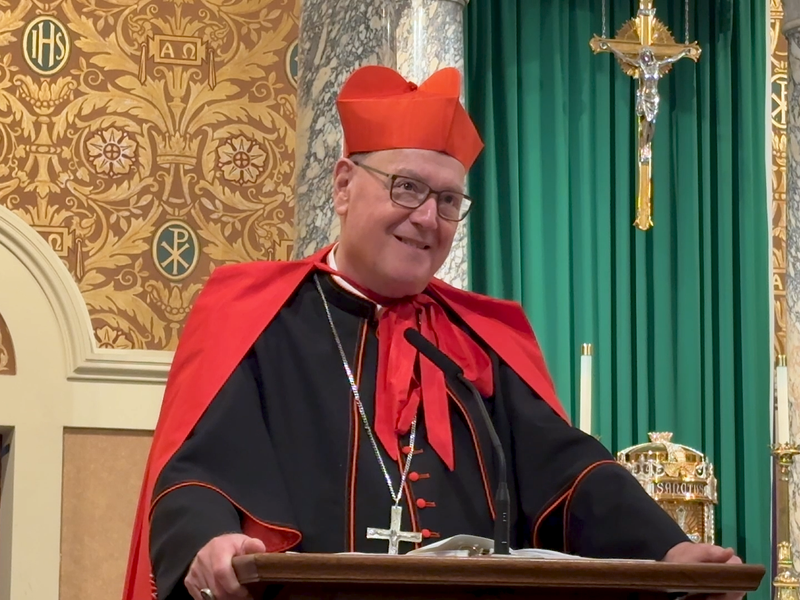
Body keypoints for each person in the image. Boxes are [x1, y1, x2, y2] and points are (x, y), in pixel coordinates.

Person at [123, 65, 743, 600]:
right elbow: (197, 471)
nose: (427, 217)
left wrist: (668, 549)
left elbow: (568, 473)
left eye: (449, 201)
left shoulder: (480, 338)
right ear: (342, 185)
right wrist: (210, 540)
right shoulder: (260, 317)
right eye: (407, 187)